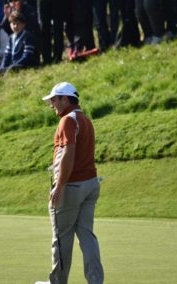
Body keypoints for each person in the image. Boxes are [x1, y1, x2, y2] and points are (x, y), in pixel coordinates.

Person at [36, 82, 104, 284]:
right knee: (86, 235)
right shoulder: (85, 119)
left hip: (71, 187)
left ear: (66, 99)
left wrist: (59, 185)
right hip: (90, 184)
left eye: (54, 100)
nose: (51, 105)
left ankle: (57, 282)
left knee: (62, 237)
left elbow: (68, 153)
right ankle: (95, 281)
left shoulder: (67, 120)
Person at [0, 11, 38, 77]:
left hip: (23, 66)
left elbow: (27, 56)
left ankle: (6, 76)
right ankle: (1, 76)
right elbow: (7, 56)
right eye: (13, 24)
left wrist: (13, 66)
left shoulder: (27, 36)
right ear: (10, 25)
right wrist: (2, 67)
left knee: (10, 70)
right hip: (11, 66)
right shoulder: (11, 37)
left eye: (18, 24)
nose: (15, 26)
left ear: (23, 25)